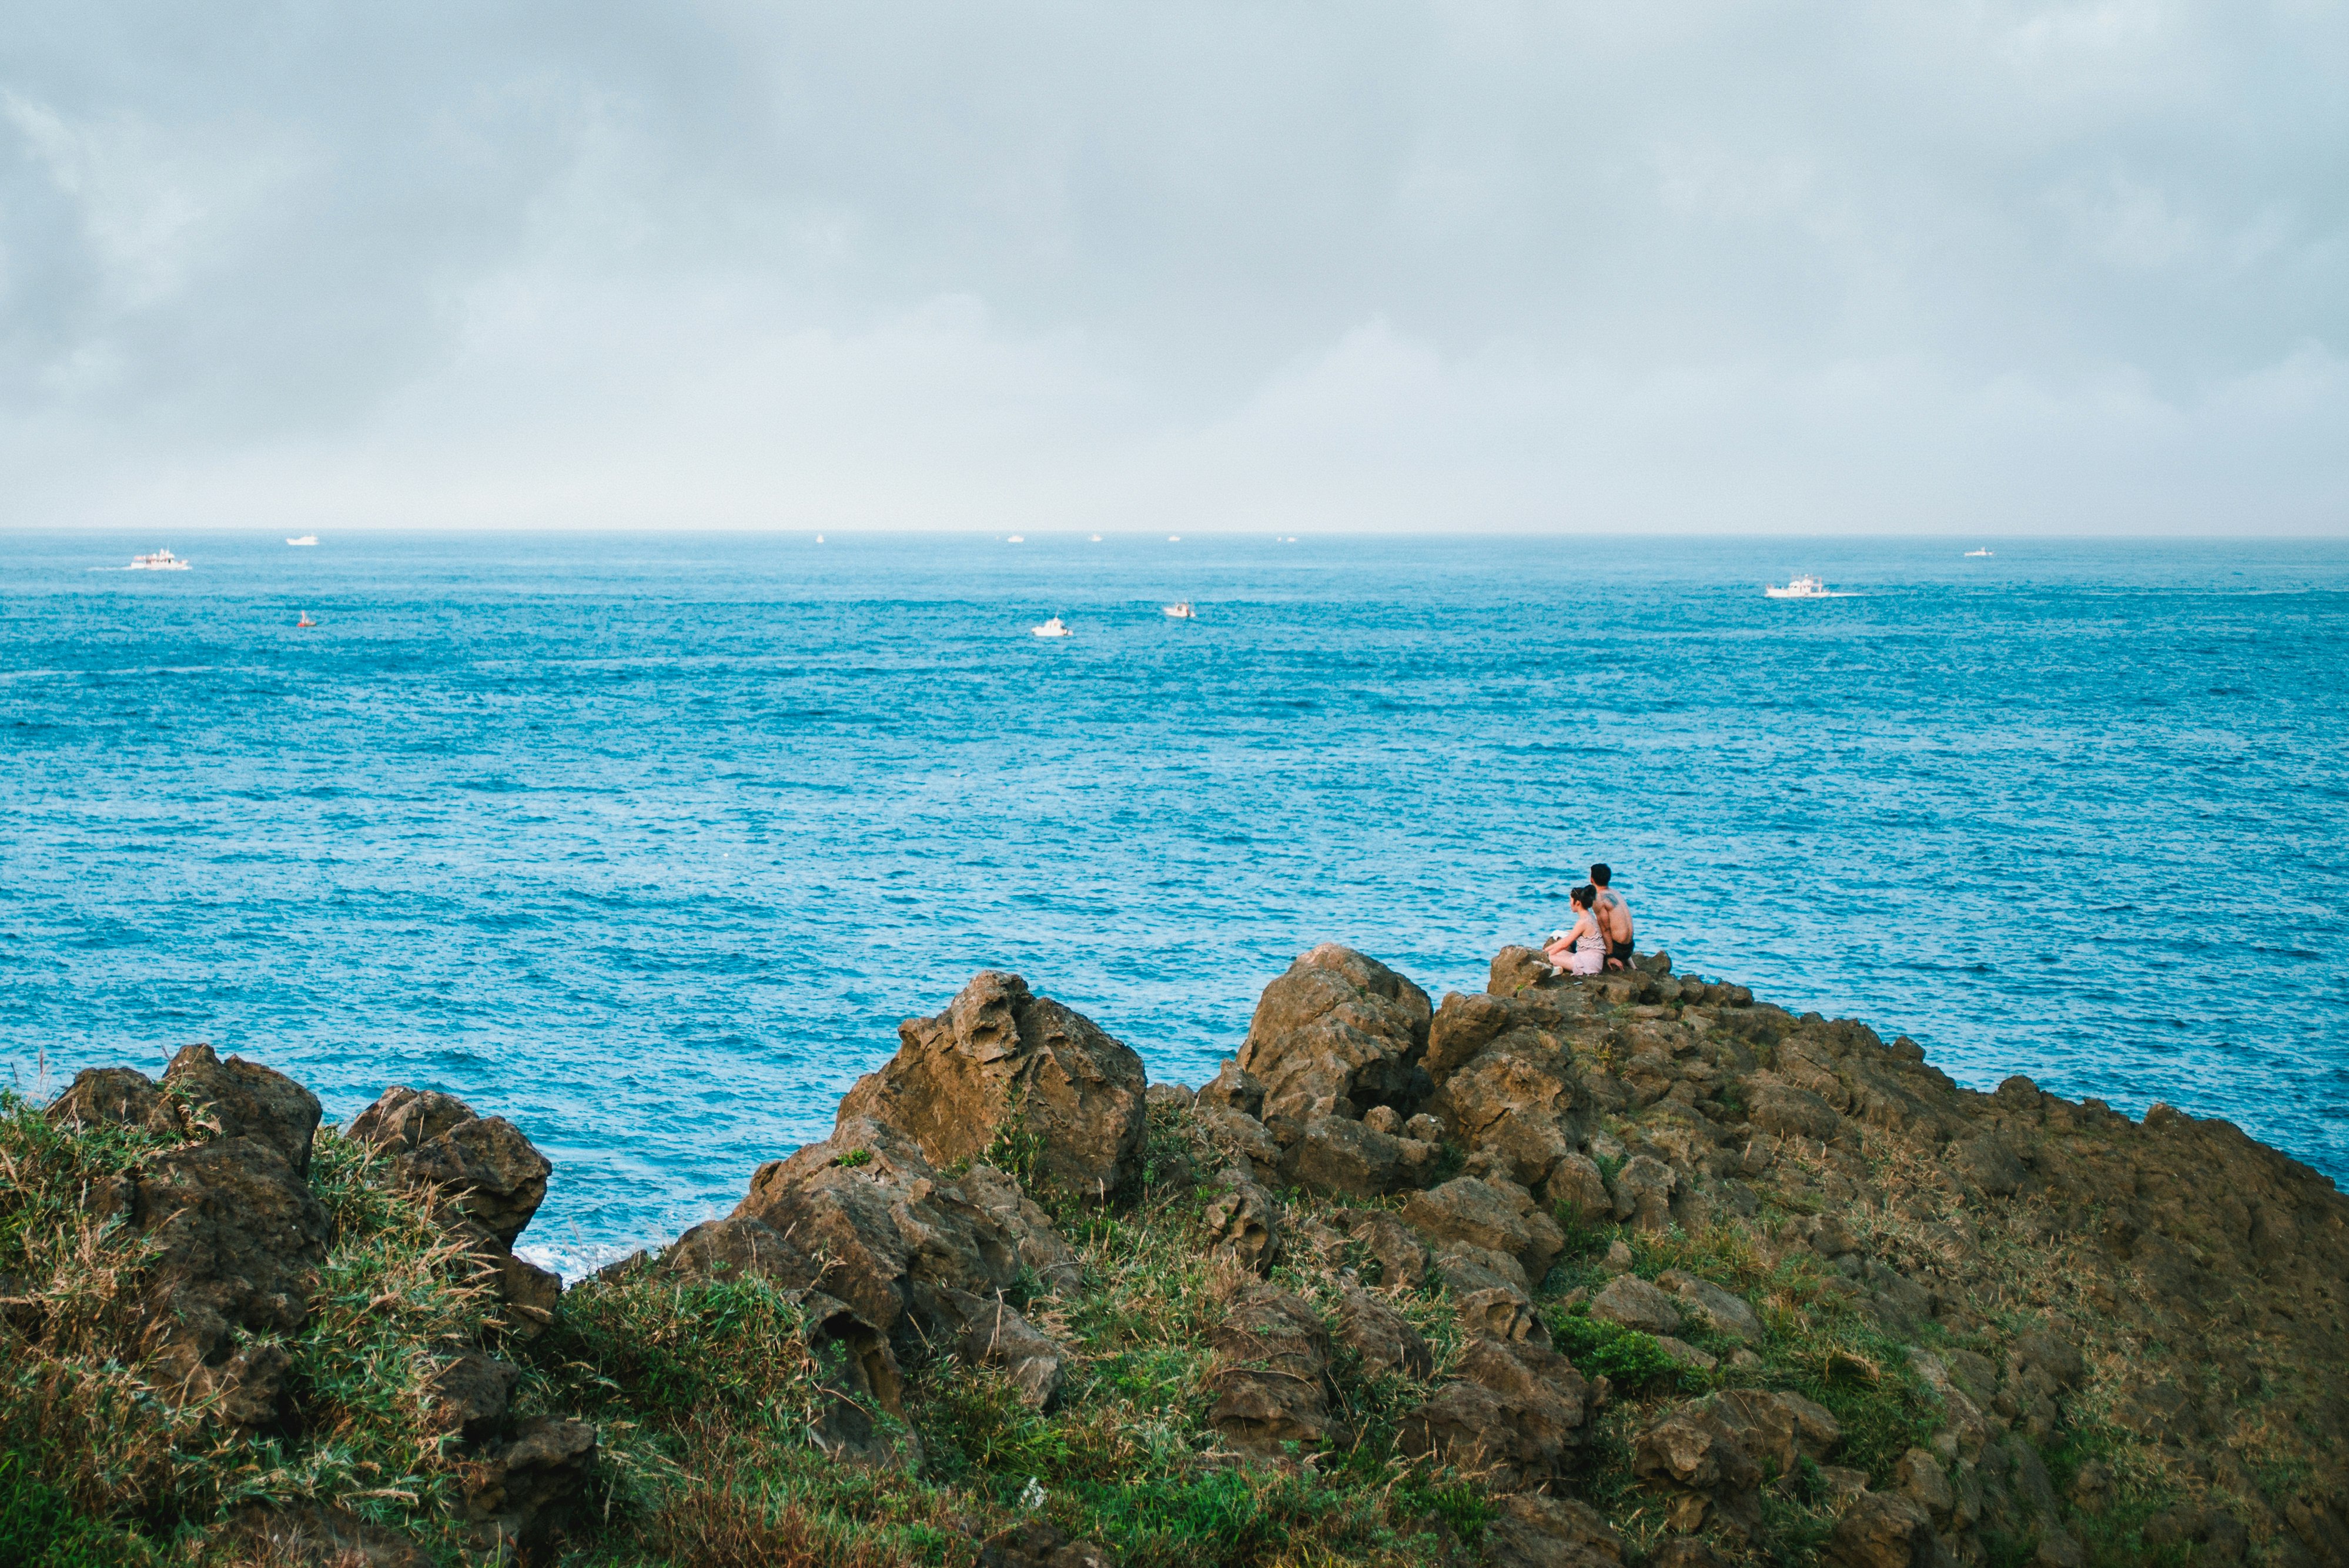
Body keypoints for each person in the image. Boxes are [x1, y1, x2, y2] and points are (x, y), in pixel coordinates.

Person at [1544, 885, 1607, 976]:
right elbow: (1567, 940)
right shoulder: (1589, 917)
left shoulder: (1583, 922)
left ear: (1577, 903)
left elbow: (1566, 943)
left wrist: (1547, 953)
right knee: (1559, 953)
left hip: (1588, 964)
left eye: (1570, 901)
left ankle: (1556, 969)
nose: (1570, 904)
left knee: (1551, 957)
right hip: (1592, 960)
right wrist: (1547, 950)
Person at [1591, 863, 1634, 971]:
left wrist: (1610, 956)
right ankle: (1630, 961)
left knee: (1586, 928)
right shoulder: (1616, 893)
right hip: (1629, 948)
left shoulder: (1598, 899)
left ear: (1592, 879)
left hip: (1618, 950)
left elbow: (1605, 929)